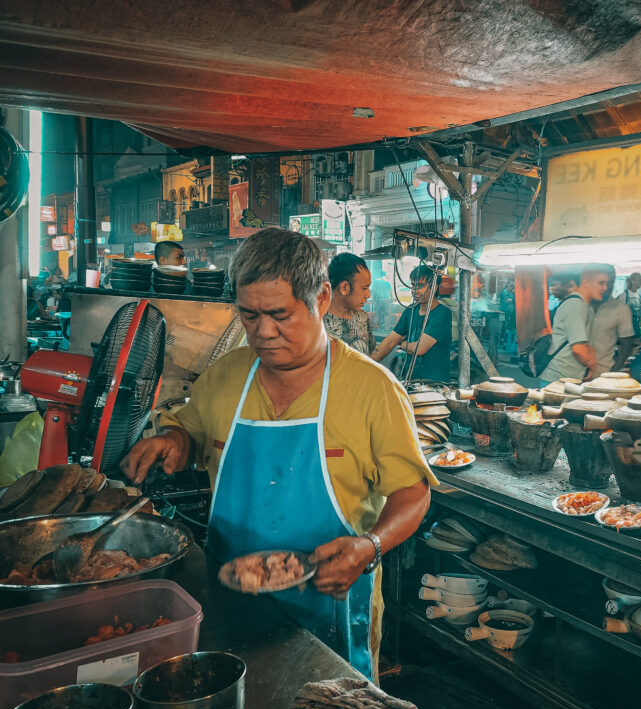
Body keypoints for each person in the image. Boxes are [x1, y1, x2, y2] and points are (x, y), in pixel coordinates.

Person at [121, 228, 435, 683]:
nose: (264, 333)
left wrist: (370, 546)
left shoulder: (372, 389)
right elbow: (189, 430)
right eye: (249, 316)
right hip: (229, 602)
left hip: (332, 606)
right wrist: (172, 440)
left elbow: (413, 493)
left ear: (322, 298)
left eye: (280, 315)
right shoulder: (225, 376)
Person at [372, 265, 452, 383]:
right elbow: (389, 342)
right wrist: (368, 362)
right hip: (410, 381)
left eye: (419, 286)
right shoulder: (410, 311)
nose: (414, 290)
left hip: (434, 383)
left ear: (434, 287)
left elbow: (419, 349)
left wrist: (402, 343)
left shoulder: (442, 313)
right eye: (413, 285)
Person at [539, 265, 608, 383]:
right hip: (559, 378)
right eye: (601, 283)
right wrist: (591, 365)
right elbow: (578, 349)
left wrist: (592, 363)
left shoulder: (582, 305)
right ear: (586, 282)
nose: (605, 288)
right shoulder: (575, 304)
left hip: (566, 376)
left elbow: (585, 343)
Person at [324, 252, 375, 355]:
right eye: (364, 288)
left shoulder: (363, 317)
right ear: (344, 287)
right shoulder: (316, 324)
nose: (368, 295)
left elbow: (371, 355)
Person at [590, 266, 636, 375]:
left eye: (610, 282)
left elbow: (627, 345)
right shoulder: (580, 305)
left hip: (603, 372)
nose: (606, 287)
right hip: (573, 373)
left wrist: (612, 373)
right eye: (601, 282)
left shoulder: (621, 309)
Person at [619, 272, 641, 337]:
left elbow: (640, 315)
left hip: (636, 328)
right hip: (626, 329)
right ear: (633, 281)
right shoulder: (624, 295)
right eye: (639, 280)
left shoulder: (639, 296)